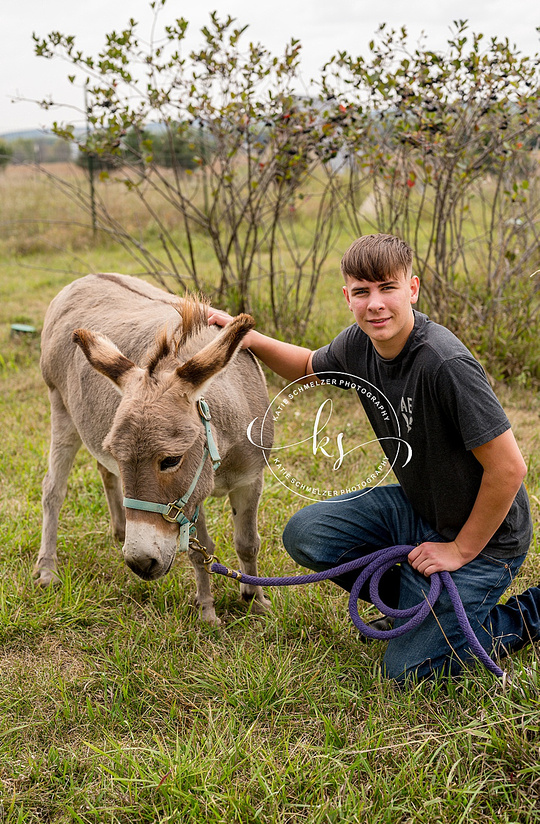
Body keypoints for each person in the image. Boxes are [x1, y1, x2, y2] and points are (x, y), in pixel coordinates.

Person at [210, 233, 538, 684]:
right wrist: (248, 337)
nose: (376, 304)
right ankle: (415, 605)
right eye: (362, 292)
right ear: (348, 297)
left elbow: (509, 468)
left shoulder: (443, 363)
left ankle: (527, 615)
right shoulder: (360, 344)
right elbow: (308, 366)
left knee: (409, 671)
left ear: (413, 289)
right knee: (307, 533)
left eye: (388, 288)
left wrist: (460, 550)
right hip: (422, 511)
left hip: (487, 538)